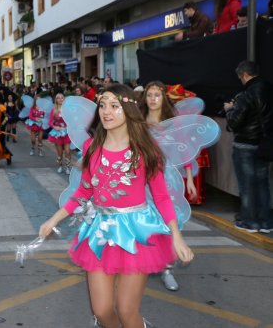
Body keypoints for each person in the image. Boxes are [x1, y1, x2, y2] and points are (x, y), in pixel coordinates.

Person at [40, 84, 193, 328]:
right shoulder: (92, 148)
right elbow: (84, 191)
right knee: (101, 311)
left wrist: (176, 236)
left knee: (126, 310)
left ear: (128, 109)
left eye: (114, 106)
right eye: (102, 105)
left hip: (137, 233)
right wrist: (54, 219)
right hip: (100, 232)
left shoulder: (145, 149)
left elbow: (162, 197)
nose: (106, 112)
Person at [139, 81, 197, 292]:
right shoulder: (138, 123)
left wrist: (189, 178)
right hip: (143, 181)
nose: (153, 99)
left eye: (157, 95)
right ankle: (145, 261)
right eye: (149, 95)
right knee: (145, 222)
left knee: (170, 222)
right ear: (144, 98)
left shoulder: (173, 123)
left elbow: (185, 151)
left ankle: (167, 269)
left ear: (164, 98)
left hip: (168, 179)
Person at [224, 60, 273, 233]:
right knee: (263, 184)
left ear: (244, 75)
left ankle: (250, 222)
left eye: (240, 77)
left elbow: (234, 123)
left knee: (247, 185)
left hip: (245, 145)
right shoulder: (268, 90)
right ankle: (266, 222)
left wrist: (230, 109)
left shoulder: (246, 95)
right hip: (265, 145)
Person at [47, 93, 72, 174]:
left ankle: (68, 167)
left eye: (62, 98)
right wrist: (55, 127)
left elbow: (72, 120)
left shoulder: (68, 109)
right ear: (56, 100)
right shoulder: (53, 110)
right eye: (58, 98)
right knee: (60, 152)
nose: (60, 99)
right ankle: (60, 166)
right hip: (57, 133)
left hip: (66, 132)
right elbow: (50, 122)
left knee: (68, 151)